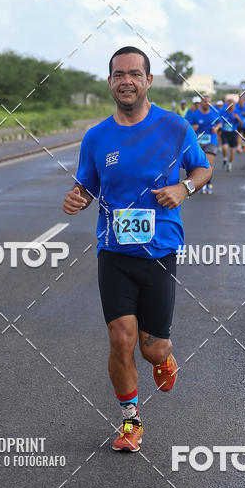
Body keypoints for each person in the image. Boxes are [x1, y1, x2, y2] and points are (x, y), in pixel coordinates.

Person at [62, 46, 212, 452]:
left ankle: (164, 357)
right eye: (118, 74)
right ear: (110, 81)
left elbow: (203, 167)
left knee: (152, 348)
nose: (125, 81)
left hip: (159, 251)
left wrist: (184, 188)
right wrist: (77, 198)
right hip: (114, 251)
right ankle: (131, 421)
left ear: (148, 80)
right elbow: (86, 185)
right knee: (120, 338)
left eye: (133, 74)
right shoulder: (96, 137)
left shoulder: (175, 127)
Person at [190, 95, 220, 192]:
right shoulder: (195, 114)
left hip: (211, 140)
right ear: (201, 103)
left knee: (209, 163)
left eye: (208, 102)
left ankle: (208, 184)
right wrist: (193, 128)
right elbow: (188, 126)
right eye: (205, 101)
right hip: (198, 141)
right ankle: (200, 183)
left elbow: (220, 123)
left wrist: (216, 128)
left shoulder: (214, 113)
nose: (207, 103)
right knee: (199, 165)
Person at [219, 99, 242, 171]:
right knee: (224, 147)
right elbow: (219, 121)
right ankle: (225, 158)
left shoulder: (237, 112)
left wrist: (238, 118)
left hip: (233, 133)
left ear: (234, 105)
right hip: (225, 132)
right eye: (229, 104)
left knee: (232, 150)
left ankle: (229, 164)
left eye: (232, 104)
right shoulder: (223, 111)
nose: (231, 106)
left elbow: (242, 124)